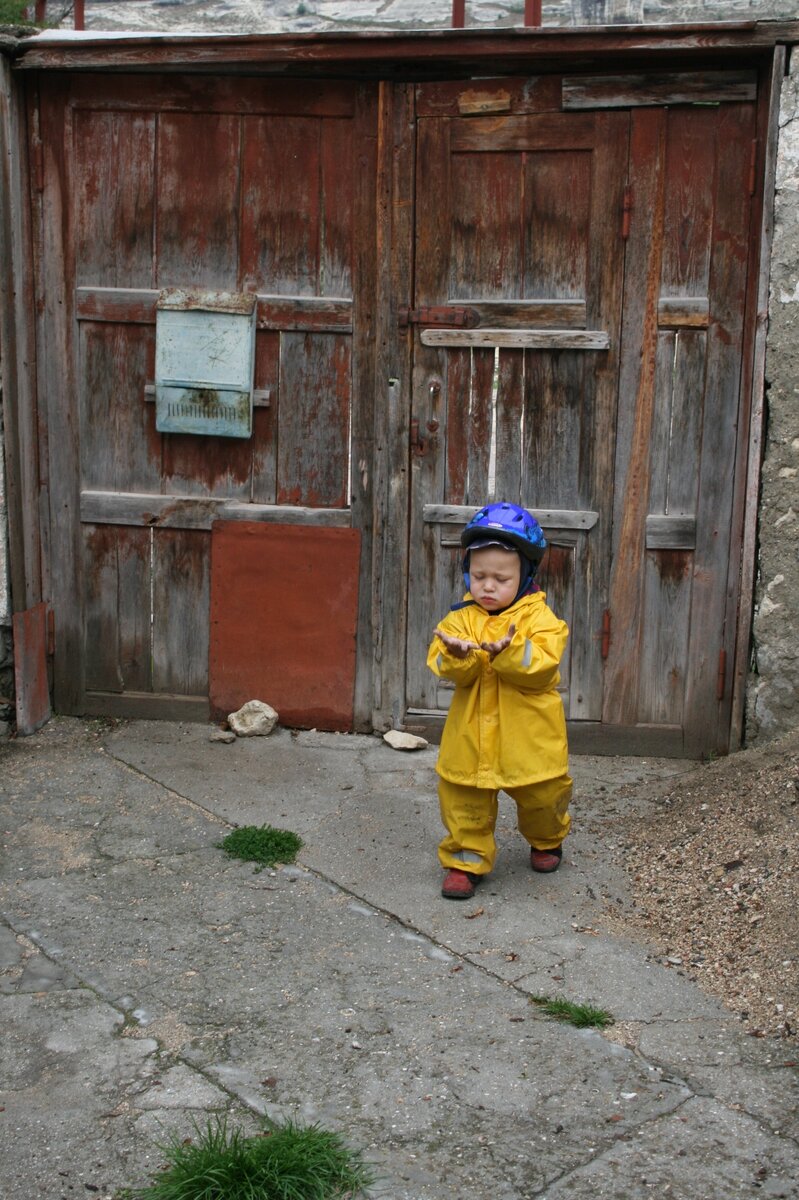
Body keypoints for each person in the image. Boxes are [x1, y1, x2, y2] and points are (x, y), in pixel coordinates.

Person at [426, 501, 572, 900]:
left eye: (501, 578)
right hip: (471, 736)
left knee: (543, 795)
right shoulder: (459, 620)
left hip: (530, 739)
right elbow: (441, 663)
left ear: (525, 576)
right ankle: (465, 858)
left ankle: (546, 838)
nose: (488, 586)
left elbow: (542, 667)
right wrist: (457, 657)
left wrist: (507, 650)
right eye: (479, 576)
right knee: (464, 795)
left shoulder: (542, 620)